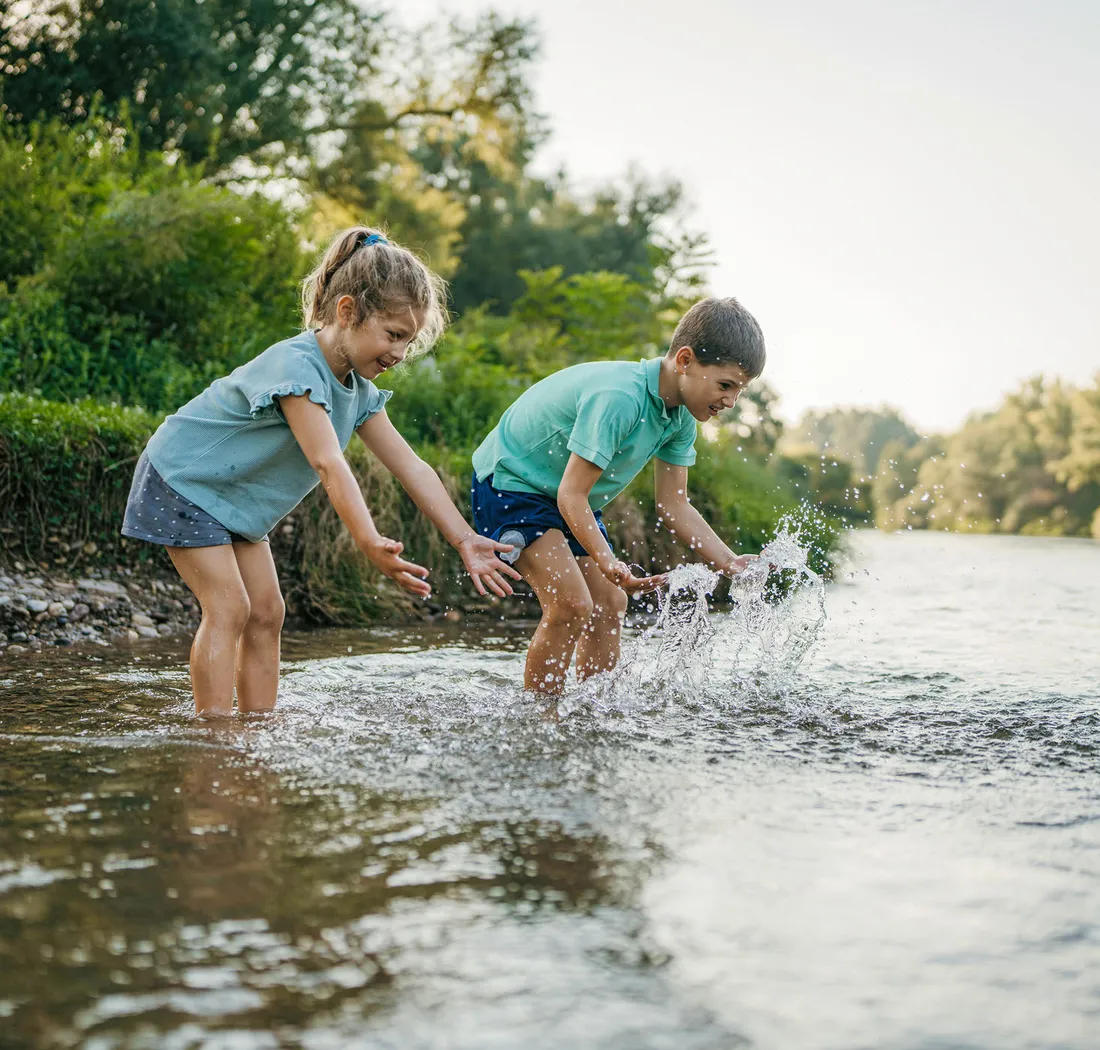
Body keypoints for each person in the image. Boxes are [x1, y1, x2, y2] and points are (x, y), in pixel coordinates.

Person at [121, 227, 520, 717]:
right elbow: (327, 462)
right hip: (184, 481)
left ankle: (257, 726)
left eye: (408, 341)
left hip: (233, 501)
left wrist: (463, 538)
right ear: (347, 311)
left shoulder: (360, 391)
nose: (399, 353)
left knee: (268, 614)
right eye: (393, 335)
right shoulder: (298, 367)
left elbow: (411, 466)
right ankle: (214, 737)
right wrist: (369, 541)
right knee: (231, 608)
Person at [471, 296, 764, 695]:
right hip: (511, 483)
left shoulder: (679, 420)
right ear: (684, 360)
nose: (730, 402)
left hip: (567, 499)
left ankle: (594, 711)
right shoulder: (621, 398)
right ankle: (540, 718)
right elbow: (571, 495)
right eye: (725, 385)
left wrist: (730, 563)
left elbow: (674, 504)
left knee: (611, 604)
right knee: (572, 605)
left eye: (740, 391)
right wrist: (607, 559)